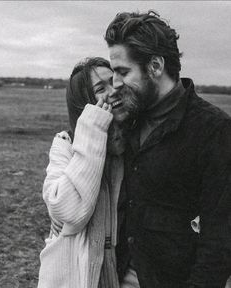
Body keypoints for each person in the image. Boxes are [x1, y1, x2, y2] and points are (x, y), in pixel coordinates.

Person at [104, 10, 231, 288]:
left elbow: (219, 241)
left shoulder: (214, 130)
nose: (115, 83)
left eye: (123, 72)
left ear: (155, 66)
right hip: (114, 276)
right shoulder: (128, 119)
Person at [37, 57, 128, 288]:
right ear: (84, 104)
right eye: (100, 88)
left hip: (121, 273)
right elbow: (70, 212)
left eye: (114, 81)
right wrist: (93, 128)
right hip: (71, 277)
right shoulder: (65, 144)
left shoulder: (134, 145)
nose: (113, 90)